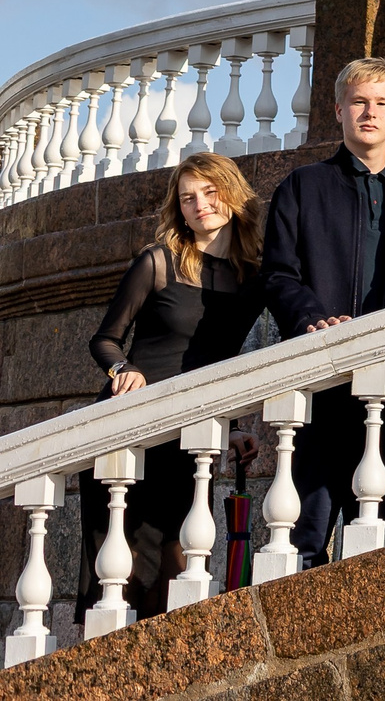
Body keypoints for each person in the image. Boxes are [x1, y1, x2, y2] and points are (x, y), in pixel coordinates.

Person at [263, 58, 385, 568]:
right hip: (319, 376)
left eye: (382, 104)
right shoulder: (302, 187)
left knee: (378, 522)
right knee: (306, 528)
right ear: (339, 109)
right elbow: (279, 273)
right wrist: (311, 319)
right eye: (360, 102)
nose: (370, 113)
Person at [81, 153, 263, 617]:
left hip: (188, 435)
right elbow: (104, 339)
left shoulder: (252, 277)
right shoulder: (158, 262)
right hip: (132, 424)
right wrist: (121, 368)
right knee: (123, 574)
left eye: (209, 191)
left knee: (174, 568)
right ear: (178, 209)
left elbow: (219, 361)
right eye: (188, 198)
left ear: (232, 193)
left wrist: (233, 425)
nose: (200, 204)